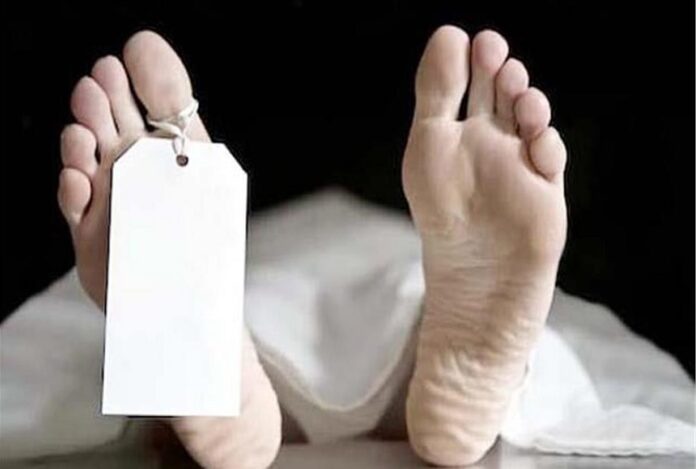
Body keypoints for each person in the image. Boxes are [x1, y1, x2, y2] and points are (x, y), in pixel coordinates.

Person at [57, 25, 567, 468]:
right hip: (400, 276)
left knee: (254, 301)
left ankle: (209, 379)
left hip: (266, 265)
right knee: (404, 289)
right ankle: (467, 375)